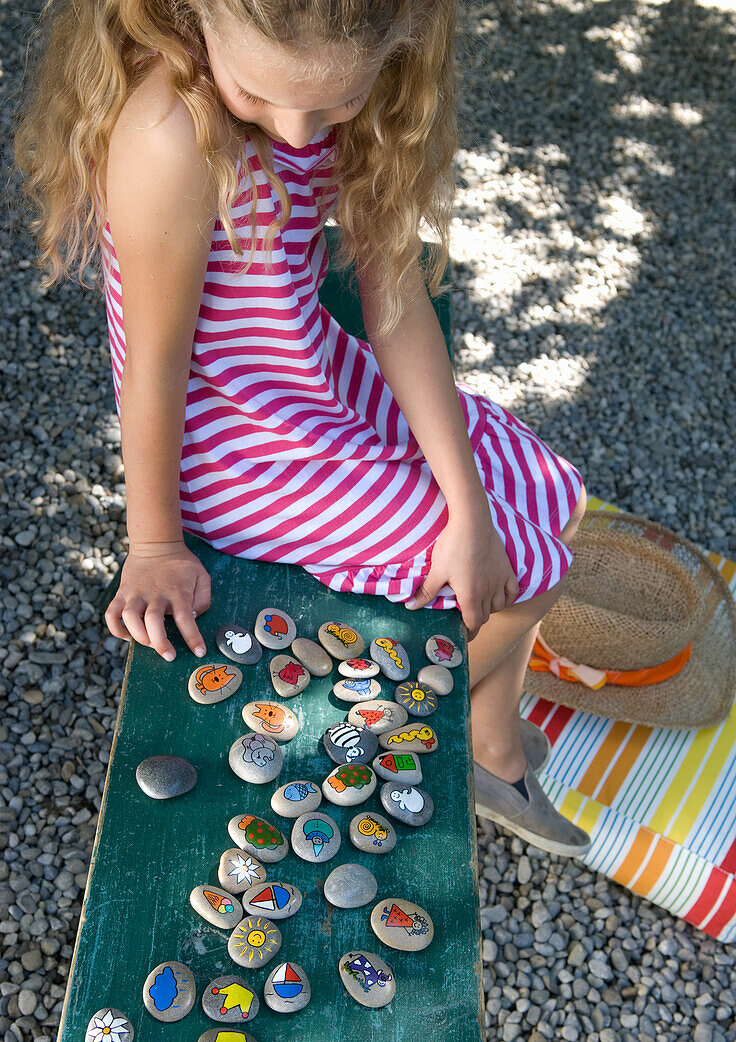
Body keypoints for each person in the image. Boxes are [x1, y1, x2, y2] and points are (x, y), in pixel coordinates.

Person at [13, 0, 590, 857]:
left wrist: (466, 505)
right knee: (534, 571)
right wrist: (154, 546)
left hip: (308, 379)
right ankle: (467, 749)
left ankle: (486, 727)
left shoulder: (367, 90)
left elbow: (394, 303)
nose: (294, 132)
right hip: (236, 448)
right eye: (259, 96)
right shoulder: (169, 134)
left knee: (553, 493)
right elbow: (157, 372)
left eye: (330, 108)